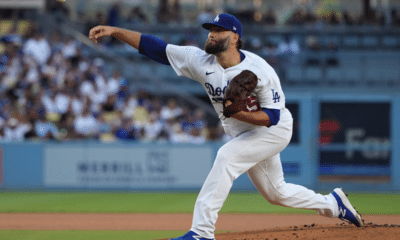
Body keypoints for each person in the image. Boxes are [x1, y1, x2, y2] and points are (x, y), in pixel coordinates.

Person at [89, 13, 364, 240]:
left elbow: (273, 117)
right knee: (276, 193)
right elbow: (155, 48)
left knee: (226, 156)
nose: (211, 34)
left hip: (273, 131)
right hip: (243, 133)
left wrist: (241, 113)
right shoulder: (200, 61)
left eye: (218, 30)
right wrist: (115, 31)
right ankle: (333, 204)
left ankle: (202, 232)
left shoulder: (261, 70)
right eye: (210, 29)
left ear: (234, 37)